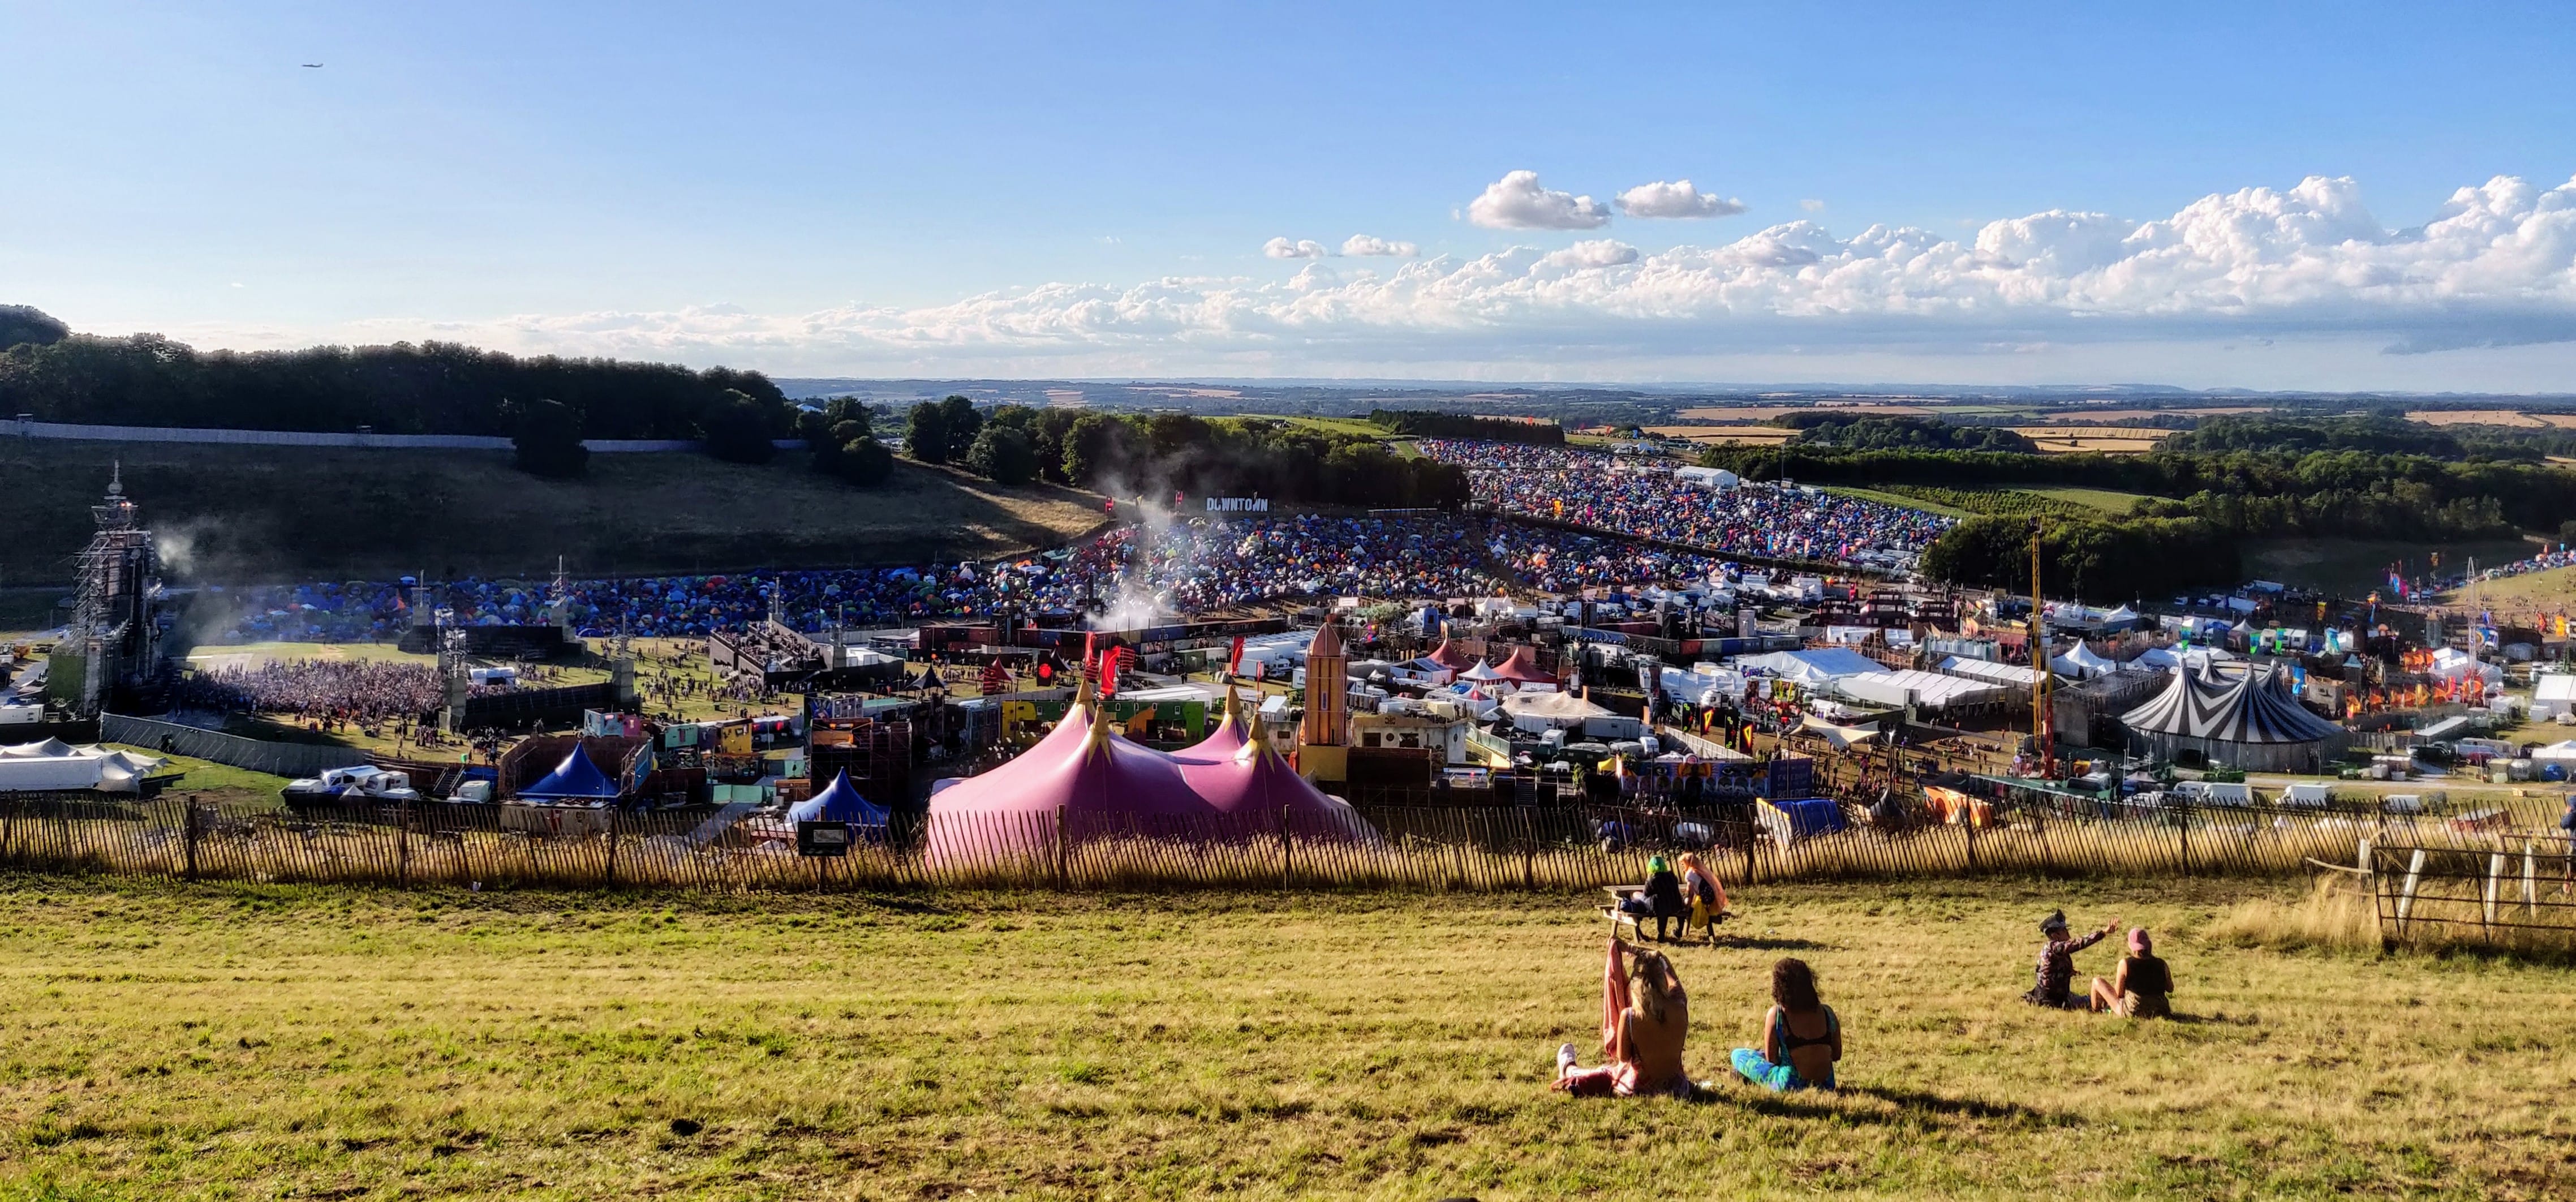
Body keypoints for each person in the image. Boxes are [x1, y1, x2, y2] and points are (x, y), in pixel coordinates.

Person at [1553, 938, 1692, 1098]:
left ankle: (1569, 1069)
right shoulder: (1680, 1003)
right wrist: (1633, 949)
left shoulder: (1630, 1017)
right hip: (1678, 1089)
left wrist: (1626, 948)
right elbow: (1661, 957)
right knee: (1609, 1072)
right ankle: (1570, 1070)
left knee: (1607, 1072)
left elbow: (1623, 1059)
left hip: (1638, 1089)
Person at [1730, 958, 1841, 1092]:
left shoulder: (1777, 1015)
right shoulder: (1828, 1013)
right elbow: (1837, 1055)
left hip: (1791, 1085)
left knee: (1737, 1054)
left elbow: (1772, 1060)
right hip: (1827, 1084)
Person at [2024, 909, 2118, 1008]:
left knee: (2092, 999)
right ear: (2055, 935)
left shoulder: (2053, 948)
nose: (2067, 932)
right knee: (2098, 1002)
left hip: (2054, 997)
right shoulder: (2055, 947)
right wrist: (2103, 933)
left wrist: (2070, 972)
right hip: (2054, 1001)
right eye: (2063, 930)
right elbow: (2079, 943)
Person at [2089, 927, 2174, 1018]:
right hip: (2161, 1009)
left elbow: (2119, 994)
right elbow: (2170, 988)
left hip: (2134, 1010)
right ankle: (2106, 1011)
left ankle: (2096, 1012)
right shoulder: (2162, 963)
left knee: (2097, 981)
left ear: (2131, 946)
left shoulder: (2125, 964)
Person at [1618, 855, 1688, 941]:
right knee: (1662, 905)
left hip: (1658, 907)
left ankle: (1643, 930)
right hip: (1675, 905)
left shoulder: (1652, 879)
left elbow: (1646, 894)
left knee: (1637, 895)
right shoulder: (1672, 877)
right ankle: (1676, 932)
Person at [1677, 851, 1732, 943]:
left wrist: (1687, 908)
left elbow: (1690, 894)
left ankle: (1680, 931)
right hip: (1710, 899)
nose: (1682, 866)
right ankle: (1688, 931)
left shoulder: (1690, 874)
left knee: (1684, 902)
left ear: (1688, 863)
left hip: (1703, 900)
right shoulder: (1698, 871)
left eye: (1683, 863)